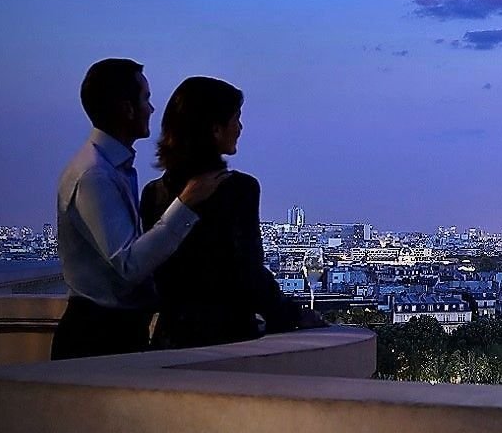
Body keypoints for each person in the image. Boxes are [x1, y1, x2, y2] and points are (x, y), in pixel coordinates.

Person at [53, 59, 228, 360]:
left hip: (111, 332)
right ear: (126, 109)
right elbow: (129, 264)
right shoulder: (95, 175)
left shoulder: (108, 169)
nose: (152, 109)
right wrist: (185, 204)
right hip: (98, 337)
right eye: (145, 98)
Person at [139, 76, 322, 348]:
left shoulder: (153, 193)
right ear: (215, 129)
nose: (240, 127)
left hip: (170, 338)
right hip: (227, 336)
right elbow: (248, 271)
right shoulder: (239, 190)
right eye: (236, 119)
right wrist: (290, 315)